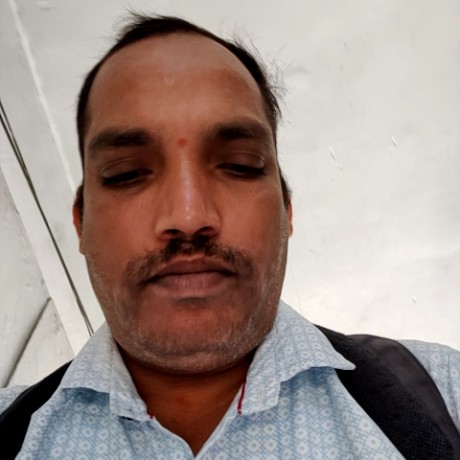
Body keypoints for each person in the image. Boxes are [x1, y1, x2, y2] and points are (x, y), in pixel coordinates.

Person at [1, 14, 459, 459]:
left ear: (286, 210)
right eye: (126, 173)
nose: (188, 216)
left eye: (240, 164)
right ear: (80, 222)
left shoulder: (443, 394)